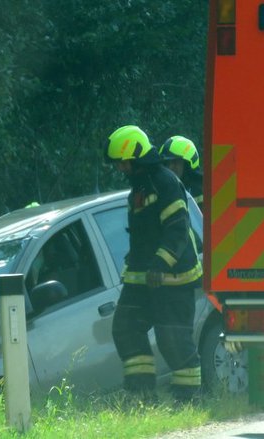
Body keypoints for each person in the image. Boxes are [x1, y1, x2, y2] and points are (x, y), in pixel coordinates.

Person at [104, 125, 203, 404]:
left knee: (173, 338)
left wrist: (161, 262)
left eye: (123, 162)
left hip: (173, 278)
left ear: (135, 156)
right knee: (125, 327)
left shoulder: (166, 182)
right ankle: (142, 394)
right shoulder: (140, 186)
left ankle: (188, 399)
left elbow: (178, 229)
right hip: (142, 278)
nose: (120, 168)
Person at [159, 135, 204, 211]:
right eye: (166, 163)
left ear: (188, 166)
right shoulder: (158, 189)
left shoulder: (206, 192)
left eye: (175, 162)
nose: (170, 167)